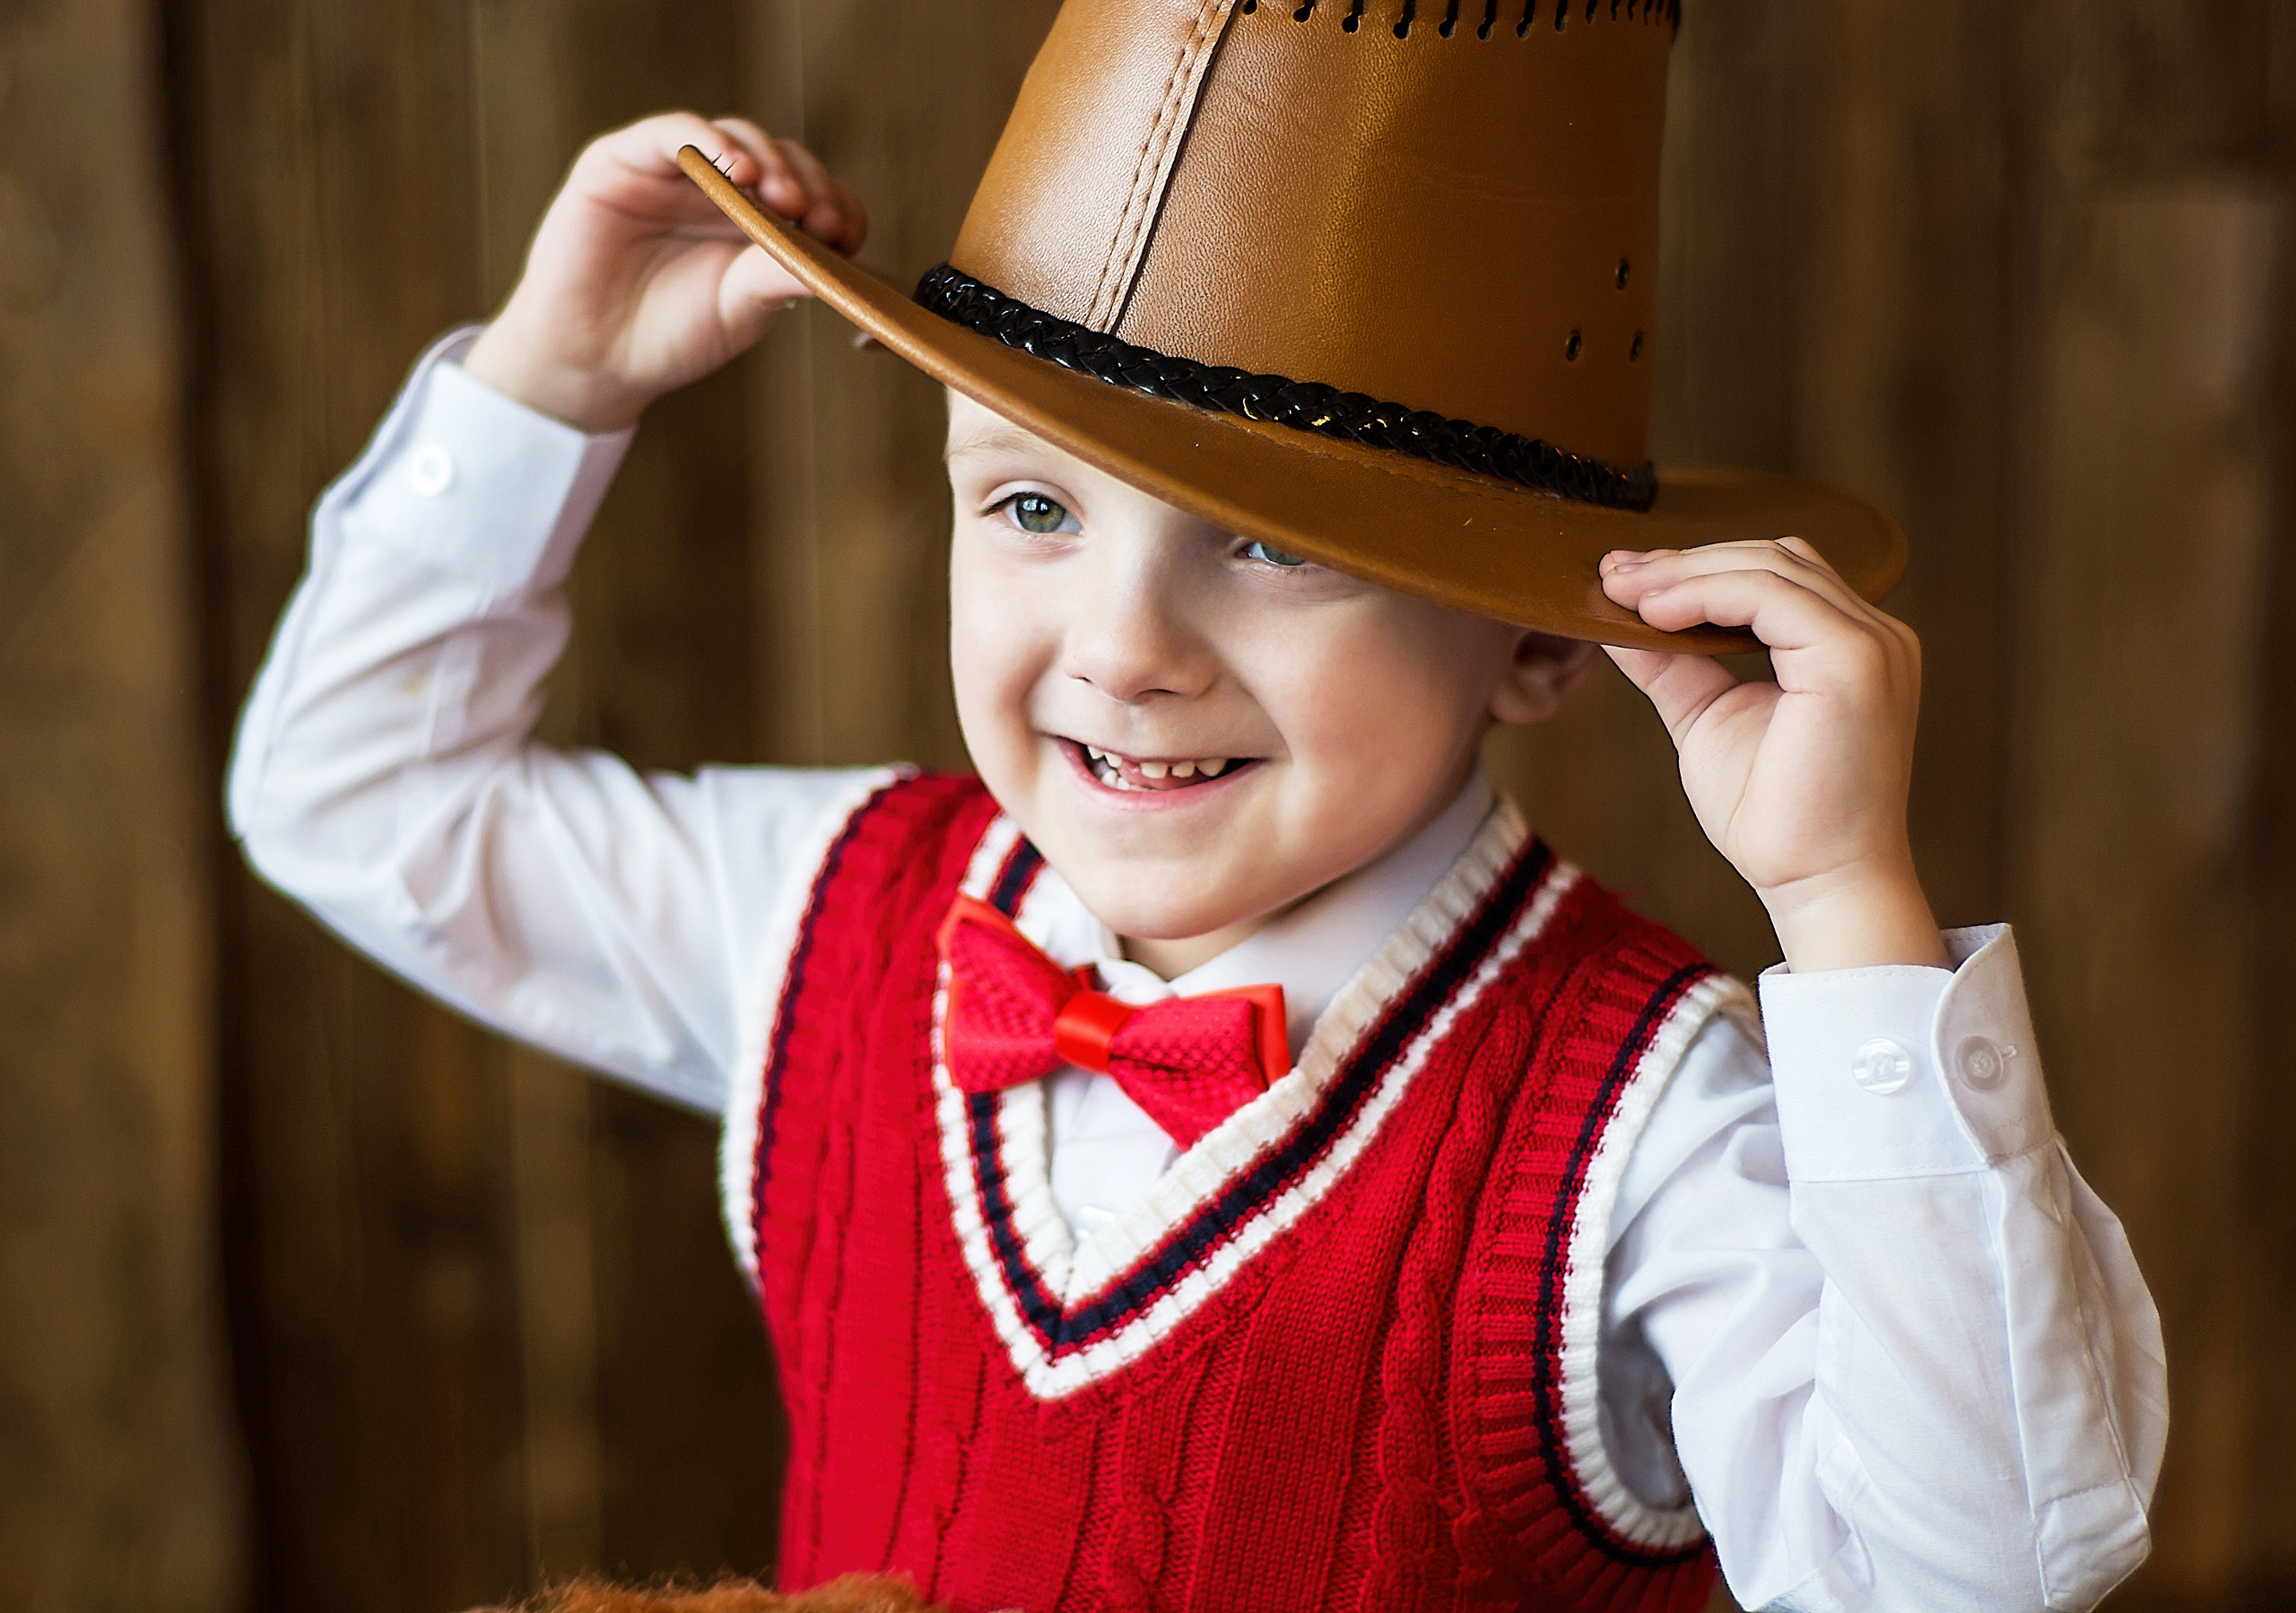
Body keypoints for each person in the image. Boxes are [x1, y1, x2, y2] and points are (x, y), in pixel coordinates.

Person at [229, 7, 2164, 1610]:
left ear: (1533, 637)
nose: (1122, 644)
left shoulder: (1644, 1125)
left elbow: (1974, 1576)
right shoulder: (824, 908)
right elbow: (350, 798)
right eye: (1032, 509)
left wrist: (1840, 906)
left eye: (1264, 541)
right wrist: (544, 392)